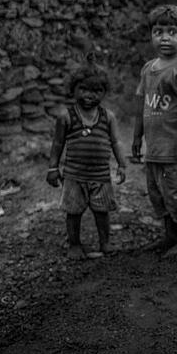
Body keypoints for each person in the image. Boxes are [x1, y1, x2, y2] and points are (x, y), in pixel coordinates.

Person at [131, 4, 177, 258]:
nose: (164, 37)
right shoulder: (148, 69)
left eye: (172, 31)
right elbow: (143, 105)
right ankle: (170, 237)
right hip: (155, 149)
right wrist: (136, 137)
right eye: (158, 31)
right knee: (160, 195)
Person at [46, 64, 127, 260]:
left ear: (104, 92)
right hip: (74, 175)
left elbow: (115, 142)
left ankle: (105, 243)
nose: (89, 95)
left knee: (102, 211)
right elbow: (57, 143)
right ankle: (74, 244)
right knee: (73, 211)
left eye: (96, 90)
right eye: (83, 89)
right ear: (72, 89)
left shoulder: (108, 117)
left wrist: (122, 165)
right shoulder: (66, 117)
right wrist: (53, 168)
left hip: (100, 175)